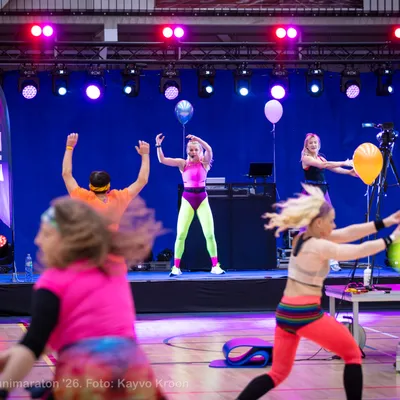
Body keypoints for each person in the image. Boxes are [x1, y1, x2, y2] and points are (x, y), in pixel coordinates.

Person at [237, 184, 400, 400]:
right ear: (319, 222)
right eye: (331, 221)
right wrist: (390, 239)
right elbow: (357, 250)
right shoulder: (319, 246)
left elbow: (348, 233)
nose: (334, 226)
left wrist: (386, 222)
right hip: (305, 314)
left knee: (278, 373)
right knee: (352, 354)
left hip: (285, 313)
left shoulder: (303, 238)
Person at [0, 196, 166, 399]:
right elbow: (55, 341)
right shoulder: (113, 268)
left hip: (85, 373)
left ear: (67, 240)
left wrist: (3, 387)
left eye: (46, 233)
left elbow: (33, 344)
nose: (38, 240)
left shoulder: (53, 281)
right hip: (135, 373)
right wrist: (10, 357)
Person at [155, 133, 225, 276]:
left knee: (209, 234)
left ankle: (215, 266)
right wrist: (158, 145)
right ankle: (176, 267)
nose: (193, 152)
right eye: (191, 150)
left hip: (202, 199)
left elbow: (209, 149)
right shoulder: (183, 164)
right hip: (188, 198)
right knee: (181, 234)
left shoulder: (205, 163)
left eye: (196, 150)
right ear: (187, 151)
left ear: (200, 151)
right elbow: (162, 160)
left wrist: (197, 139)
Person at [62, 132, 150, 230]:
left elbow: (66, 174)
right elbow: (142, 180)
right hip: (111, 240)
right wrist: (145, 155)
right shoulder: (118, 199)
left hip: (87, 240)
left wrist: (69, 147)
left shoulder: (82, 197)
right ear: (108, 186)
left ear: (90, 185)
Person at [301, 132, 357, 271]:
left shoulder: (320, 157)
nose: (313, 145)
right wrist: (345, 162)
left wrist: (348, 172)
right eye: (310, 143)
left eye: (315, 142)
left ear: (318, 144)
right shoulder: (306, 158)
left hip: (323, 192)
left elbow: (333, 168)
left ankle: (330, 259)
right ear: (306, 145)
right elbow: (324, 165)